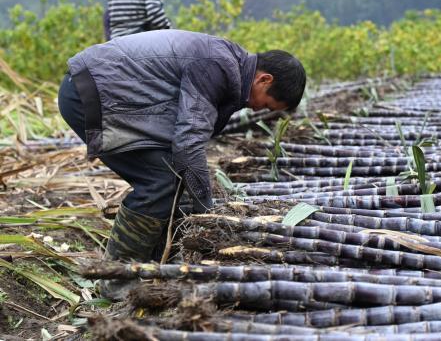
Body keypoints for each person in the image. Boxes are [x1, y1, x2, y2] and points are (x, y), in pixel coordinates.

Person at [58, 29, 306, 297]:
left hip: (110, 93)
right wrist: (206, 212)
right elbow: (188, 145)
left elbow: (189, 138)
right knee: (159, 182)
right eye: (267, 104)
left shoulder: (229, 66)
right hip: (91, 93)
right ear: (264, 79)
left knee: (172, 178)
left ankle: (153, 267)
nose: (260, 111)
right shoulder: (218, 67)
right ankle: (115, 279)